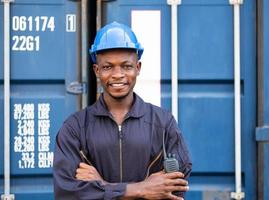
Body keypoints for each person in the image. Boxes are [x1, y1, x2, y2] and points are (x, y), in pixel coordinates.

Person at [53, 21, 192, 200]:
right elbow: (67, 192)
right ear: (96, 70)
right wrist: (141, 189)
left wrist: (102, 186)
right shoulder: (75, 128)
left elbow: (175, 190)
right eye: (107, 67)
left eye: (126, 66)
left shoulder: (163, 124)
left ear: (138, 68)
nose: (117, 74)